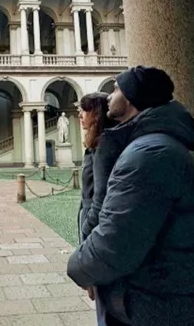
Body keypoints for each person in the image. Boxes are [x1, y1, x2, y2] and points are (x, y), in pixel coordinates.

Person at [67, 66, 194, 326]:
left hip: (157, 303)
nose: (109, 96)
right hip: (156, 294)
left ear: (130, 98)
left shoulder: (148, 155)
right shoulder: (152, 145)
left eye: (115, 89)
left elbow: (116, 240)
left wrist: (77, 268)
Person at [77, 92, 119, 325]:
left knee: (107, 302)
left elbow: (99, 200)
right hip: (93, 227)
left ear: (95, 115)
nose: (80, 115)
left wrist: (86, 250)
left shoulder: (102, 147)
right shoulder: (96, 145)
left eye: (84, 110)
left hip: (96, 231)